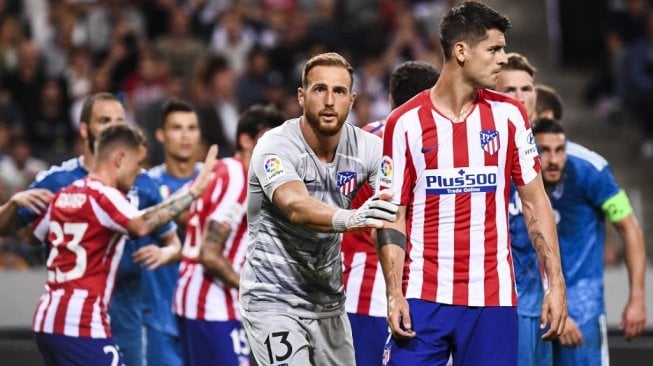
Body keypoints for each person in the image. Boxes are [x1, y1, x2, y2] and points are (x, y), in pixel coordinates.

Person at [377, 2, 567, 365]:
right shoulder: (403, 123)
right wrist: (393, 292)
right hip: (422, 297)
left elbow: (535, 202)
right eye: (494, 49)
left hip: (491, 300)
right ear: (461, 51)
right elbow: (392, 215)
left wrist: (555, 282)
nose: (502, 59)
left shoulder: (509, 116)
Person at [238, 52, 398, 366]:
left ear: (351, 100)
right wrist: (351, 218)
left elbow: (392, 214)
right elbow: (295, 205)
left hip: (328, 302)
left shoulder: (369, 148)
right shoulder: (275, 146)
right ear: (301, 96)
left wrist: (396, 291)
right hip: (273, 299)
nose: (329, 101)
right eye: (319, 89)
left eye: (339, 92)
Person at [12, 92, 181, 366]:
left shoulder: (143, 181)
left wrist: (167, 253)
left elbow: (173, 242)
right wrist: (12, 207)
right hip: (81, 311)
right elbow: (24, 233)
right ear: (84, 129)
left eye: (119, 121)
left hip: (125, 309)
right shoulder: (59, 180)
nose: (114, 128)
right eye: (104, 121)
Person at [31, 122, 217, 366]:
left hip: (47, 318)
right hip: (81, 321)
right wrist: (193, 191)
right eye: (138, 164)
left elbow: (36, 233)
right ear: (119, 159)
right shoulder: (105, 195)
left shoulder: (65, 194)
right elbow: (140, 225)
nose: (139, 173)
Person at [341, 60, 439, 366]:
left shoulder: (358, 141)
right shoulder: (439, 146)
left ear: (391, 100)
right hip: (417, 293)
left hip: (357, 291)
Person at [174, 104, 284, 365]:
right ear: (245, 140)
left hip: (200, 301)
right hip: (210, 304)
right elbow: (210, 255)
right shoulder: (238, 178)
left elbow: (181, 212)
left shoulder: (221, 170)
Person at [532, 119, 647, 365]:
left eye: (558, 149)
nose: (552, 158)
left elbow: (630, 227)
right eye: (545, 150)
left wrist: (637, 298)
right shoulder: (511, 173)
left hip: (582, 312)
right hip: (531, 310)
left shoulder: (591, 170)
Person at [496, 52, 553, 366]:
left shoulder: (551, 155)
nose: (520, 97)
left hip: (540, 304)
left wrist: (556, 289)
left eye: (526, 88)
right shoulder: (485, 150)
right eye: (510, 90)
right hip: (503, 307)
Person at [141, 99, 202, 366]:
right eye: (177, 128)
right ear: (161, 135)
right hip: (159, 318)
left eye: (192, 128)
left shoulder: (217, 181)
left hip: (207, 314)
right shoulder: (145, 184)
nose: (186, 135)